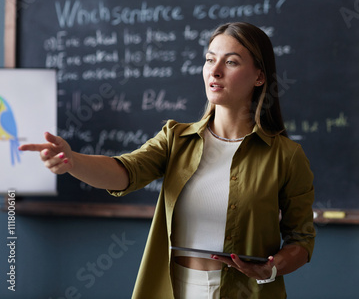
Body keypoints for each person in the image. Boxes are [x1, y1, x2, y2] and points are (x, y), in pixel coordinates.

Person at [19, 22, 315, 299]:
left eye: (232, 62)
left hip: (247, 292)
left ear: (259, 76)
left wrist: (271, 268)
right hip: (174, 287)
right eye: (210, 60)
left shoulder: (286, 156)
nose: (215, 71)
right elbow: (124, 171)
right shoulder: (176, 138)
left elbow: (301, 240)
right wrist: (72, 161)